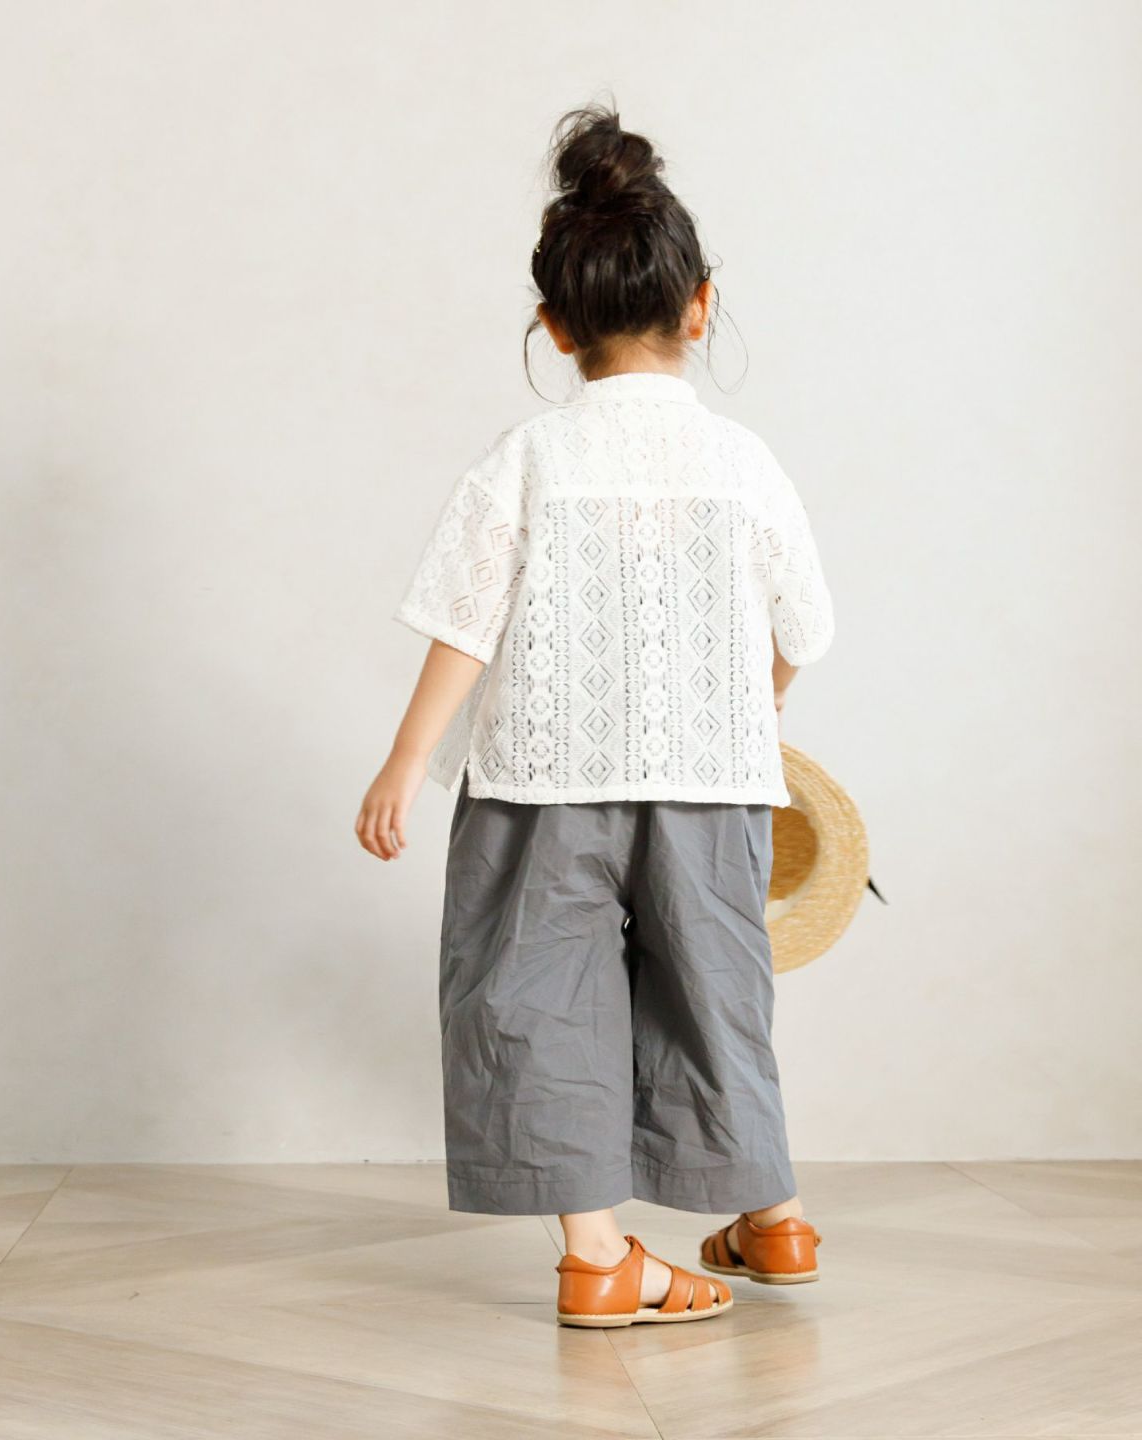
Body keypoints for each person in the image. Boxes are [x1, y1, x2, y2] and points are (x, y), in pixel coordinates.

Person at [356, 100, 834, 1328]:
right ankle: (776, 1221)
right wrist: (754, 707)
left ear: (555, 327)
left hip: (541, 782)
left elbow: (465, 620)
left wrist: (405, 762)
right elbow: (802, 626)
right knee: (716, 995)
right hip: (710, 783)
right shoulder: (746, 463)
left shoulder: (529, 458)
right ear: (701, 306)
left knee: (534, 997)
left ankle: (599, 1259)